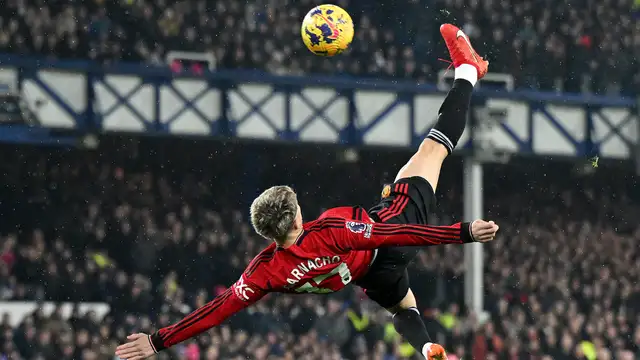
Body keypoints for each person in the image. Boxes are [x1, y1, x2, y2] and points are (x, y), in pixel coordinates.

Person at [115, 23, 494, 360]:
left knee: (402, 309)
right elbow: (392, 233)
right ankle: (468, 71)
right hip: (391, 233)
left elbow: (217, 309)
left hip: (372, 276)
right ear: (297, 215)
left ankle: (427, 348)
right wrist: (462, 233)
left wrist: (159, 340)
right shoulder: (330, 230)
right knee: (434, 148)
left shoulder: (264, 271)